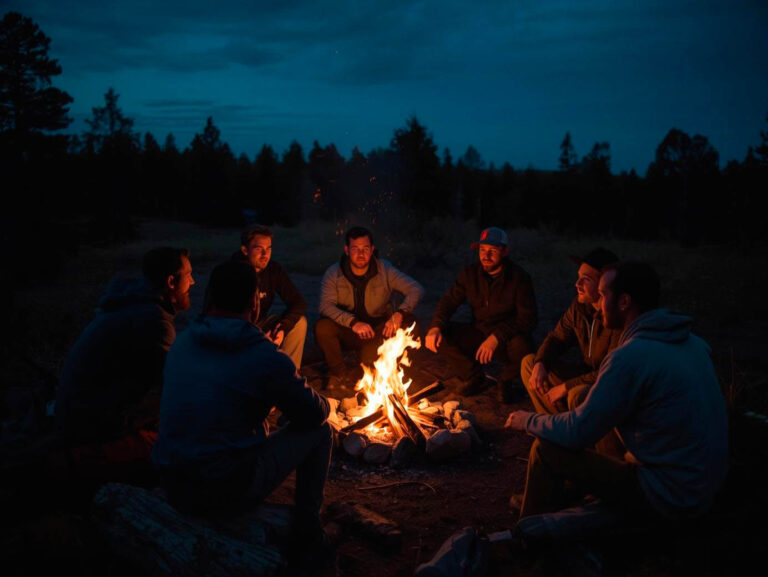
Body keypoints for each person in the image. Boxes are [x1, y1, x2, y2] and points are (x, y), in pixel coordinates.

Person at [504, 262, 729, 544]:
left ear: (623, 302)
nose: (597, 305)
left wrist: (528, 420)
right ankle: (588, 496)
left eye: (602, 295)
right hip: (705, 484)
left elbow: (578, 432)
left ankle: (529, 536)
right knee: (587, 397)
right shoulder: (694, 343)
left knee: (545, 449)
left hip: (670, 494)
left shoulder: (631, 356)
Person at [152, 260, 333, 563]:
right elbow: (315, 414)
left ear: (210, 298)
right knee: (320, 432)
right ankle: (307, 528)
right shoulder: (262, 355)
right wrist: (318, 402)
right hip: (223, 490)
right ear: (253, 301)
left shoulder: (182, 342)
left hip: (172, 482)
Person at [52, 247, 194, 486]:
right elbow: (174, 383)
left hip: (78, 410)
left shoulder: (133, 306)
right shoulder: (151, 319)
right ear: (171, 282)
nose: (193, 281)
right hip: (89, 422)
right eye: (188, 274)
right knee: (186, 435)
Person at [425, 227, 537, 403]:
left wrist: (497, 337)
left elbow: (528, 319)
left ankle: (505, 382)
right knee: (441, 333)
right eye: (482, 250)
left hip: (507, 338)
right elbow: (448, 302)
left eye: (492, 251)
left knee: (524, 345)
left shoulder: (519, 278)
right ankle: (475, 377)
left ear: (505, 251)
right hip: (479, 331)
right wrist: (435, 327)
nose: (486, 256)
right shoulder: (469, 274)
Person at [314, 226, 424, 389]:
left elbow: (416, 289)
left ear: (372, 249)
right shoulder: (334, 273)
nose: (360, 254)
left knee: (409, 322)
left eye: (365, 248)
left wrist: (399, 313)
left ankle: (393, 371)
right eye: (355, 249)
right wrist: (353, 322)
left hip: (377, 331)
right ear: (346, 250)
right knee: (322, 327)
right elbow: (325, 306)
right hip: (347, 331)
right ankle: (338, 373)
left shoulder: (385, 269)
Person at [521, 247, 621, 414]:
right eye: (578, 277)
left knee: (577, 393)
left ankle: (570, 430)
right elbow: (557, 338)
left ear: (604, 284)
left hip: (606, 383)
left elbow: (610, 373)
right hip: (585, 373)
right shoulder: (580, 308)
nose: (577, 284)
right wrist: (541, 362)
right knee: (530, 363)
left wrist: (566, 386)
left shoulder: (617, 317)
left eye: (586, 279)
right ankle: (557, 425)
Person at [233, 224, 308, 369]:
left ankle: (289, 374)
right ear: (245, 250)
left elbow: (299, 302)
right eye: (258, 249)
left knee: (299, 323)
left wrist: (283, 328)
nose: (265, 254)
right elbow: (228, 320)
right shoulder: (233, 272)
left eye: (268, 249)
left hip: (260, 325)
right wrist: (257, 338)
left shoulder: (273, 270)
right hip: (236, 330)